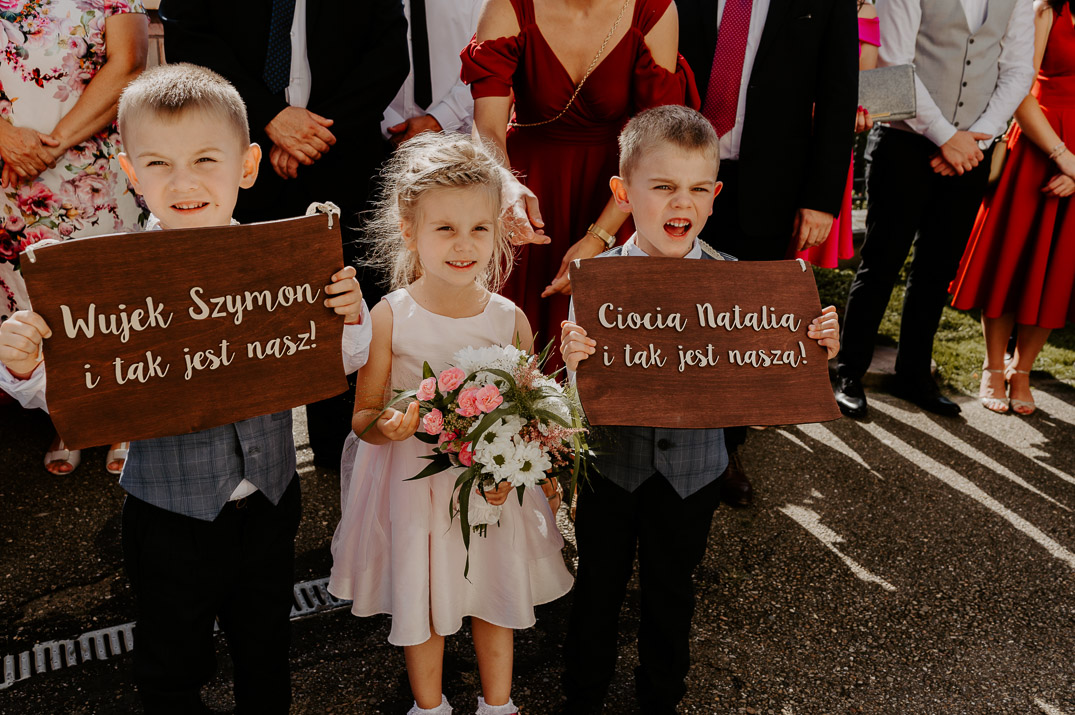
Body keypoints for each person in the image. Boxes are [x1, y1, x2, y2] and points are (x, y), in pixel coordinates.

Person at [0, 64, 373, 713]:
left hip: (269, 502)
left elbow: (341, 359)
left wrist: (350, 317)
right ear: (131, 172)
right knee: (171, 665)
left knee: (266, 650)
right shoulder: (106, 283)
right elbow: (69, 387)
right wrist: (24, 364)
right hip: (168, 517)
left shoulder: (282, 264)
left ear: (246, 166)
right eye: (159, 164)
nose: (184, 182)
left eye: (205, 159)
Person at [559, 105, 841, 714]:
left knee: (672, 592)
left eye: (696, 189)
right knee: (597, 589)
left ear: (715, 196)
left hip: (693, 473)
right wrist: (573, 362)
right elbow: (577, 396)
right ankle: (582, 695)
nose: (680, 203)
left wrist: (813, 347)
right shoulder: (597, 281)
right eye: (662, 187)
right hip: (611, 471)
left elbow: (768, 381)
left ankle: (661, 697)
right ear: (623, 193)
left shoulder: (740, 286)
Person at [327, 132, 573, 715]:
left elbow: (529, 419)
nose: (464, 245)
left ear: (498, 231)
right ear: (409, 230)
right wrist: (387, 426)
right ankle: (429, 705)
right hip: (416, 488)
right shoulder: (391, 316)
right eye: (445, 228)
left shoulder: (509, 319)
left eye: (479, 228)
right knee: (423, 594)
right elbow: (363, 415)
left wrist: (532, 473)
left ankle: (498, 704)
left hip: (491, 491)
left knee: (495, 591)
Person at [159, 0, 409, 470]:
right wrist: (270, 117)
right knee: (238, 318)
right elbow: (188, 33)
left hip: (344, 155)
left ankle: (346, 462)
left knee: (347, 307)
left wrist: (314, 134)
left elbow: (390, 53)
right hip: (237, 157)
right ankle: (242, 469)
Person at [677, 0, 859, 507]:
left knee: (741, 324)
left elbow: (839, 94)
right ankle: (663, 433)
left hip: (769, 184)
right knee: (673, 310)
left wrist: (821, 198)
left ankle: (724, 450)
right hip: (676, 175)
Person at [462, 0, 700, 371]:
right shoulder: (508, 6)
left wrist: (598, 238)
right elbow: (488, 125)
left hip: (620, 194)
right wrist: (504, 183)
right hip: (526, 188)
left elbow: (657, 148)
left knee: (608, 353)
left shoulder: (654, 9)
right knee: (511, 353)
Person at [834, 0, 1036, 420]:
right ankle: (848, 372)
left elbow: (1018, 69)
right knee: (881, 261)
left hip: (974, 149)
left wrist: (979, 138)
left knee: (937, 269)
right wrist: (947, 137)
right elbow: (894, 63)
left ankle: (912, 375)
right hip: (902, 142)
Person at [0, 0, 150, 475]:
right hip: (6, 177)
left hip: (89, 167)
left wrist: (51, 146)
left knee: (109, 296)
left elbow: (129, 63)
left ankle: (128, 415)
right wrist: (4, 137)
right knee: (33, 300)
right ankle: (70, 415)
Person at [951, 0, 1075, 416]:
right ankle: (992, 367)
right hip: (1038, 144)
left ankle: (1022, 370)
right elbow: (1019, 86)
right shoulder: (1046, 9)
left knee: (1056, 271)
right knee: (1011, 260)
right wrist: (1062, 156)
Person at [797, 0, 882, 269]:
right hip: (782, 129)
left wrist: (847, 113)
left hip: (827, 140)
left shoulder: (863, 10)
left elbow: (861, 84)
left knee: (801, 253)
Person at [382, 0, 483, 148]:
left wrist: (439, 120)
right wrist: (387, 125)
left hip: (456, 143)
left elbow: (484, 65)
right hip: (372, 137)